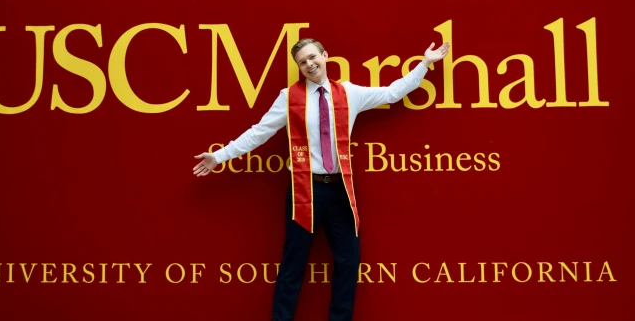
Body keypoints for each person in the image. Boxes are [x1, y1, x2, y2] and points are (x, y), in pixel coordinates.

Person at [193, 38, 450, 321]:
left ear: (325, 56)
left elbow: (392, 93)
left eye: (312, 57)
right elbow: (259, 132)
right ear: (299, 67)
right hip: (306, 190)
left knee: (349, 262)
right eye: (302, 62)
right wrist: (220, 156)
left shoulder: (349, 93)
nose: (309, 64)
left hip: (340, 191)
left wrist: (425, 63)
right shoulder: (289, 97)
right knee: (293, 265)